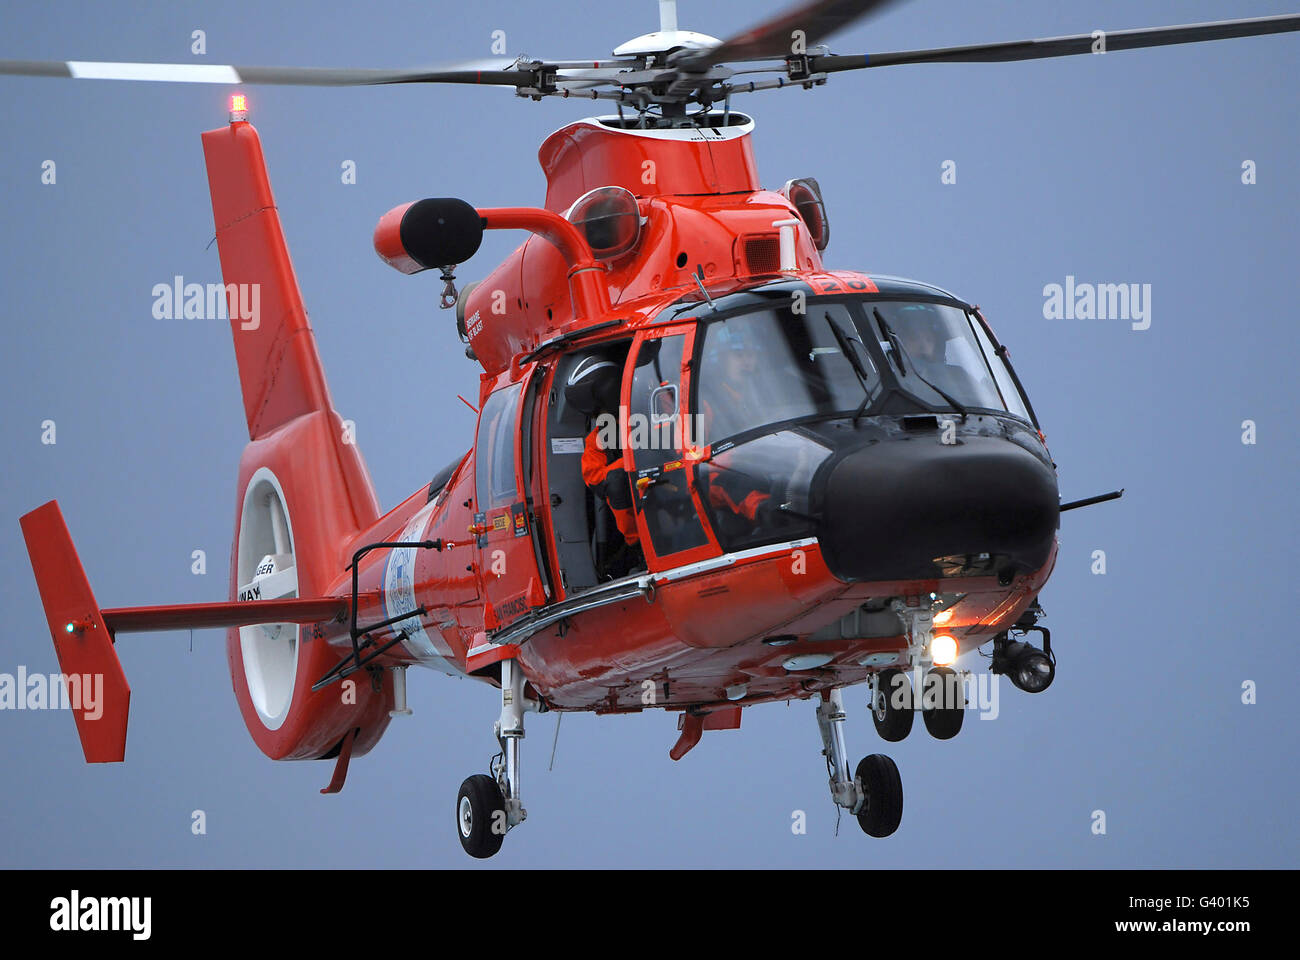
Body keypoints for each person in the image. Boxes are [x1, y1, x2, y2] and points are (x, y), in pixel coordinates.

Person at [566, 354, 643, 577]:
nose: (597, 417)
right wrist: (632, 463)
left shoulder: (653, 411)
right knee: (618, 482)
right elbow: (596, 477)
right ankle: (640, 550)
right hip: (640, 530)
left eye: (597, 411)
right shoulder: (597, 439)